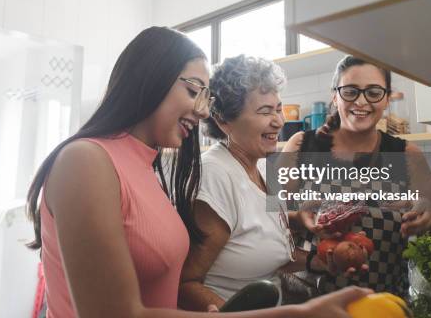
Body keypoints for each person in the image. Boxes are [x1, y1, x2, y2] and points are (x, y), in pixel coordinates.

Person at [25, 28, 370, 318]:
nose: (203, 110)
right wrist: (296, 315)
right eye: (192, 91)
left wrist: (303, 231)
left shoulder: (151, 168)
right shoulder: (85, 161)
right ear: (150, 79)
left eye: (204, 96)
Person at [283, 55, 431, 295]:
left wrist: (429, 211)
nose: (361, 101)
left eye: (374, 92)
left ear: (386, 98)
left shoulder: (407, 154)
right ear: (335, 96)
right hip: (307, 302)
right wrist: (299, 218)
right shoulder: (300, 144)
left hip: (382, 303)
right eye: (350, 91)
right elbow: (268, 227)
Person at [179, 55, 320, 311]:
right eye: (265, 111)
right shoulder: (215, 175)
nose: (279, 121)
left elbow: (270, 251)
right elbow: (186, 283)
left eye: (278, 108)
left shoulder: (266, 166)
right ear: (224, 121)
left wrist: (320, 257)